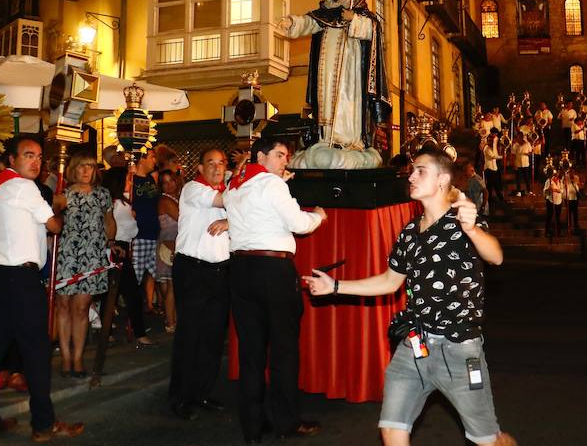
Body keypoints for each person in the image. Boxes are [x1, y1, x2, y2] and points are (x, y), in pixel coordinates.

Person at [303, 149, 515, 446]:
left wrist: (472, 229)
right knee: (392, 429)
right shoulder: (410, 232)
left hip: (458, 347)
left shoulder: (462, 221)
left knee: (488, 439)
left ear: (442, 179)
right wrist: (335, 286)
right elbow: (390, 281)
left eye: (420, 171)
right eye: (412, 170)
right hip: (414, 345)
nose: (411, 176)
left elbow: (496, 256)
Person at [0, 135, 84, 442]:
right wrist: (58, 206)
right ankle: (43, 424)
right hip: (21, 280)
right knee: (36, 352)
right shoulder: (23, 187)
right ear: (11, 159)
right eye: (28, 156)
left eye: (38, 157)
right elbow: (54, 226)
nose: (35, 162)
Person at [220, 137, 327, 443]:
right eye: (280, 155)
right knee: (283, 351)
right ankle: (286, 422)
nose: (285, 162)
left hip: (240, 270)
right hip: (273, 272)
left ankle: (253, 427)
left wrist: (281, 181)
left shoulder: (235, 186)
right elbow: (299, 224)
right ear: (261, 155)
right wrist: (318, 216)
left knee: (252, 353)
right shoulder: (271, 184)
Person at [278, 0, 390, 149]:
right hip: (326, 69)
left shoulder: (360, 11)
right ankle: (327, 139)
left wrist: (353, 19)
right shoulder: (325, 12)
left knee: (347, 101)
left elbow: (374, 31)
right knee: (326, 101)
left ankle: (348, 140)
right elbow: (309, 22)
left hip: (350, 71)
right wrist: (291, 23)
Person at [169, 148, 230, 421]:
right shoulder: (194, 189)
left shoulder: (229, 196)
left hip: (221, 272)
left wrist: (230, 221)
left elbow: (238, 211)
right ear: (201, 168)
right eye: (211, 163)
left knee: (213, 337)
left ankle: (202, 392)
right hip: (193, 270)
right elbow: (224, 200)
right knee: (189, 336)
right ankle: (180, 398)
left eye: (221, 163)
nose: (217, 168)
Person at [55, 151, 113, 379]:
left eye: (90, 166)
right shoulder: (63, 194)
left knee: (80, 309)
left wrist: (113, 242)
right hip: (66, 255)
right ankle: (65, 357)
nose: (87, 170)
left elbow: (109, 222)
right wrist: (56, 205)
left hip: (92, 256)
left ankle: (77, 358)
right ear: (73, 169)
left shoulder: (103, 195)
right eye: (82, 166)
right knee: (63, 307)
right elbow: (53, 221)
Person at [103, 168, 155, 349]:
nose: (130, 183)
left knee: (119, 292)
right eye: (127, 179)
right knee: (125, 293)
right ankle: (135, 333)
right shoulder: (116, 204)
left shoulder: (122, 203)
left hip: (122, 247)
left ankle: (110, 331)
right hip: (117, 249)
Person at [131, 148, 160, 316]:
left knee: (155, 274)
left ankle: (148, 305)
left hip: (153, 233)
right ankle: (133, 317)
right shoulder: (131, 180)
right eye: (151, 156)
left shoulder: (150, 179)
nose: (154, 160)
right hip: (139, 235)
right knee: (135, 279)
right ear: (141, 159)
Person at [156, 169, 180, 333]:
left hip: (176, 245)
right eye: (164, 182)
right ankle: (171, 322)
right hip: (169, 246)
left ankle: (173, 319)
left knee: (174, 286)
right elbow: (182, 218)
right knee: (172, 286)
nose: (169, 184)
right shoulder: (165, 200)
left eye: (171, 180)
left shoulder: (176, 198)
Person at [483, 129, 504, 207]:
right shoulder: (487, 148)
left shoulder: (492, 147)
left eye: (492, 141)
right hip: (489, 169)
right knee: (494, 185)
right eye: (490, 140)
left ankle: (491, 199)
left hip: (494, 168)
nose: (491, 142)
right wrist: (502, 157)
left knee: (491, 185)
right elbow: (493, 156)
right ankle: (499, 198)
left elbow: (495, 153)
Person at [510, 132, 532, 197]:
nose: (519, 138)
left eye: (520, 137)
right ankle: (519, 191)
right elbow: (513, 155)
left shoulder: (527, 144)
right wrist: (514, 164)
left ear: (522, 137)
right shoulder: (515, 145)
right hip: (518, 164)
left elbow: (530, 153)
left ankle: (529, 190)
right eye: (518, 137)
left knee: (527, 178)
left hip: (526, 164)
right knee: (518, 178)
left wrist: (526, 154)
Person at [543, 170, 563, 238]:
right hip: (551, 201)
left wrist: (557, 190)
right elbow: (545, 190)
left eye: (557, 176)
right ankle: (547, 232)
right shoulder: (549, 181)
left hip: (558, 201)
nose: (556, 177)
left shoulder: (560, 181)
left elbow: (562, 190)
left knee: (557, 217)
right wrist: (549, 189)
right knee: (549, 216)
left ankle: (558, 232)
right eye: (555, 176)